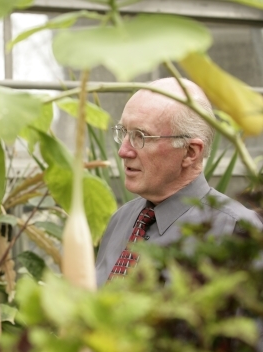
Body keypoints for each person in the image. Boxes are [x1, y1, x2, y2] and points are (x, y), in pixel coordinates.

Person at [95, 77, 263, 287]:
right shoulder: (120, 219)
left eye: (140, 136)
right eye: (124, 133)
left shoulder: (237, 232)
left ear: (190, 152)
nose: (123, 151)